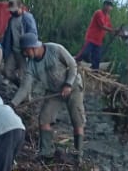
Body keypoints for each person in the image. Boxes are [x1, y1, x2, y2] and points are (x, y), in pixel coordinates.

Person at [12, 32, 86, 160]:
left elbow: (73, 65)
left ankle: (77, 156)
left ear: (33, 47)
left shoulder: (55, 49)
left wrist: (68, 84)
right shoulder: (31, 65)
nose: (24, 54)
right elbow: (25, 87)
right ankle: (46, 154)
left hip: (73, 87)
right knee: (44, 120)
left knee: (77, 121)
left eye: (25, 51)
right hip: (53, 92)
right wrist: (12, 104)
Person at [1, 0, 38, 83]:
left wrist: (28, 49)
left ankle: (24, 92)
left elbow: (33, 35)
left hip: (24, 52)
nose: (12, 12)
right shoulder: (11, 20)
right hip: (13, 50)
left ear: (20, 7)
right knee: (7, 71)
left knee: (24, 75)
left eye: (14, 10)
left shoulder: (27, 18)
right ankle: (18, 85)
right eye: (11, 10)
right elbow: (8, 36)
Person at [75, 0, 115, 70]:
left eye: (110, 6)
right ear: (104, 5)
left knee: (97, 58)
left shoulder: (107, 17)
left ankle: (94, 70)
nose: (109, 8)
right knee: (85, 53)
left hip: (98, 41)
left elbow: (110, 27)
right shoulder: (99, 13)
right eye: (108, 5)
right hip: (91, 38)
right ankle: (75, 61)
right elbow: (102, 26)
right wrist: (112, 30)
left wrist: (116, 32)